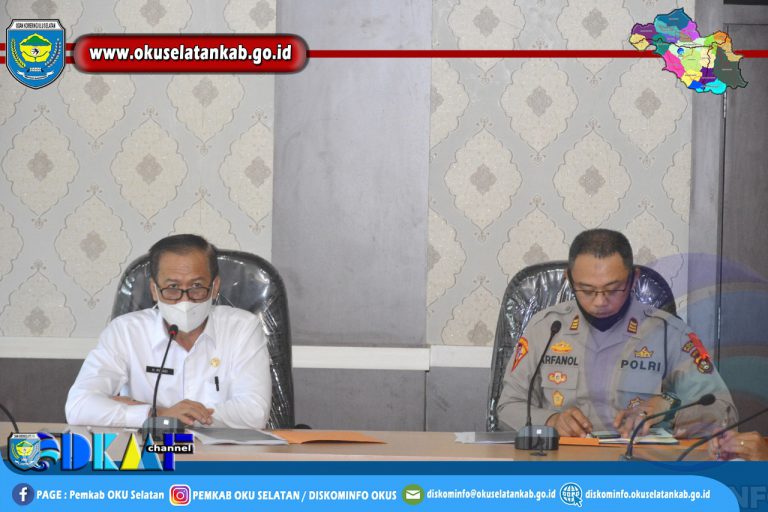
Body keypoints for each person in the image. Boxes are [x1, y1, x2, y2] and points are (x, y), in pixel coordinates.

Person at [497, 229, 736, 438]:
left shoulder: (669, 333)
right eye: (587, 290)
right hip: (560, 463)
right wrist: (551, 421)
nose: (600, 301)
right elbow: (507, 408)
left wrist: (669, 409)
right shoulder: (545, 328)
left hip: (639, 464)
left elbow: (724, 411)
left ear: (633, 279)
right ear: (569, 280)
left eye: (613, 289)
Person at [66, 234, 272, 429]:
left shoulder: (242, 328)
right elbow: (78, 406)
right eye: (172, 287)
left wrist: (161, 415)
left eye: (197, 286)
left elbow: (255, 412)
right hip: (152, 451)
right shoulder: (126, 331)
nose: (185, 300)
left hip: (223, 452)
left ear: (215, 286)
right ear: (154, 290)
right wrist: (159, 414)